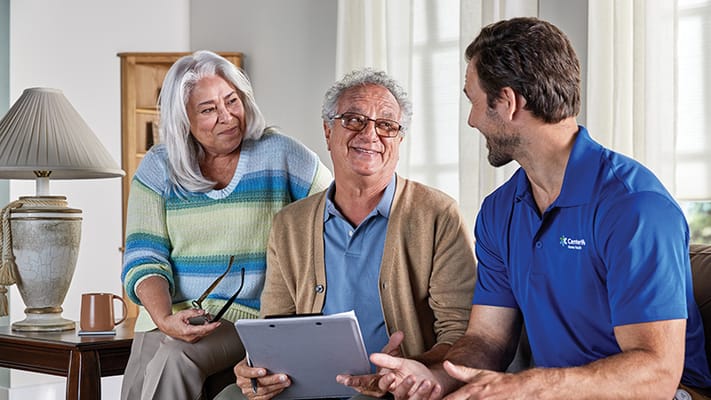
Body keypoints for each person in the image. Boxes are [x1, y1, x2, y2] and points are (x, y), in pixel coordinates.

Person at [366, 17, 711, 400]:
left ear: (509, 102)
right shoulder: (500, 211)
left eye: (474, 101)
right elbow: (487, 338)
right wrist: (435, 376)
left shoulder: (634, 206)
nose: (472, 119)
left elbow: (656, 375)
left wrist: (527, 386)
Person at [217, 68, 477, 400]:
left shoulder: (438, 214)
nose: (370, 135)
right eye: (354, 120)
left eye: (386, 125)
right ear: (327, 131)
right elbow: (275, 326)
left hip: (393, 389)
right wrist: (257, 370)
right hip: (304, 385)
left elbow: (459, 329)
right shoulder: (289, 224)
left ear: (399, 140)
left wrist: (413, 366)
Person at [119, 50, 332, 400]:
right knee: (146, 370)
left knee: (175, 357)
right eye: (208, 110)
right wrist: (163, 318)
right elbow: (144, 258)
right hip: (169, 315)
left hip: (246, 317)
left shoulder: (280, 153)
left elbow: (335, 210)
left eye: (232, 101)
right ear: (183, 119)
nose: (227, 117)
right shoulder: (159, 167)